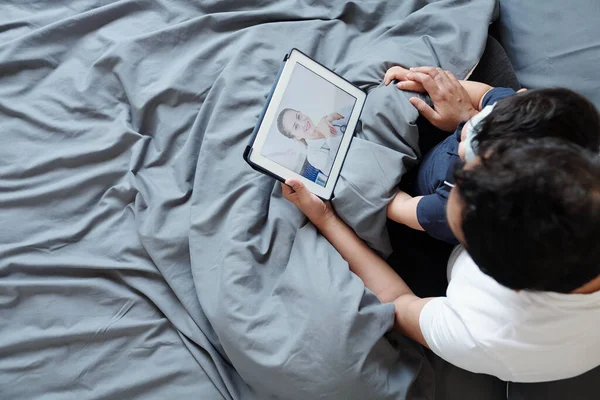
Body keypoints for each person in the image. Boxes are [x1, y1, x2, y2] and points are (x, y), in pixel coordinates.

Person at [280, 70, 600, 382]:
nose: (461, 144)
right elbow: (521, 106)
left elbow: (400, 302)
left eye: (460, 177)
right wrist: (470, 114)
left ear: (477, 258)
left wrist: (327, 219)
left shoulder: (485, 331)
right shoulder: (571, 134)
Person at [383, 66, 600, 244]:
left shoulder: (455, 207)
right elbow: (485, 94)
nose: (464, 132)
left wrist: (376, 179)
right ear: (520, 95)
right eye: (480, 120)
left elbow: (398, 206)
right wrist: (424, 85)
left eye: (471, 150)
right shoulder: (510, 112)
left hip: (416, 198)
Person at [277, 108, 350, 176]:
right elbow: (340, 170)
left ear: (301, 113)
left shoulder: (328, 119)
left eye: (299, 116)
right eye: (296, 127)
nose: (303, 124)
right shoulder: (313, 156)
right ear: (296, 137)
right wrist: (328, 135)